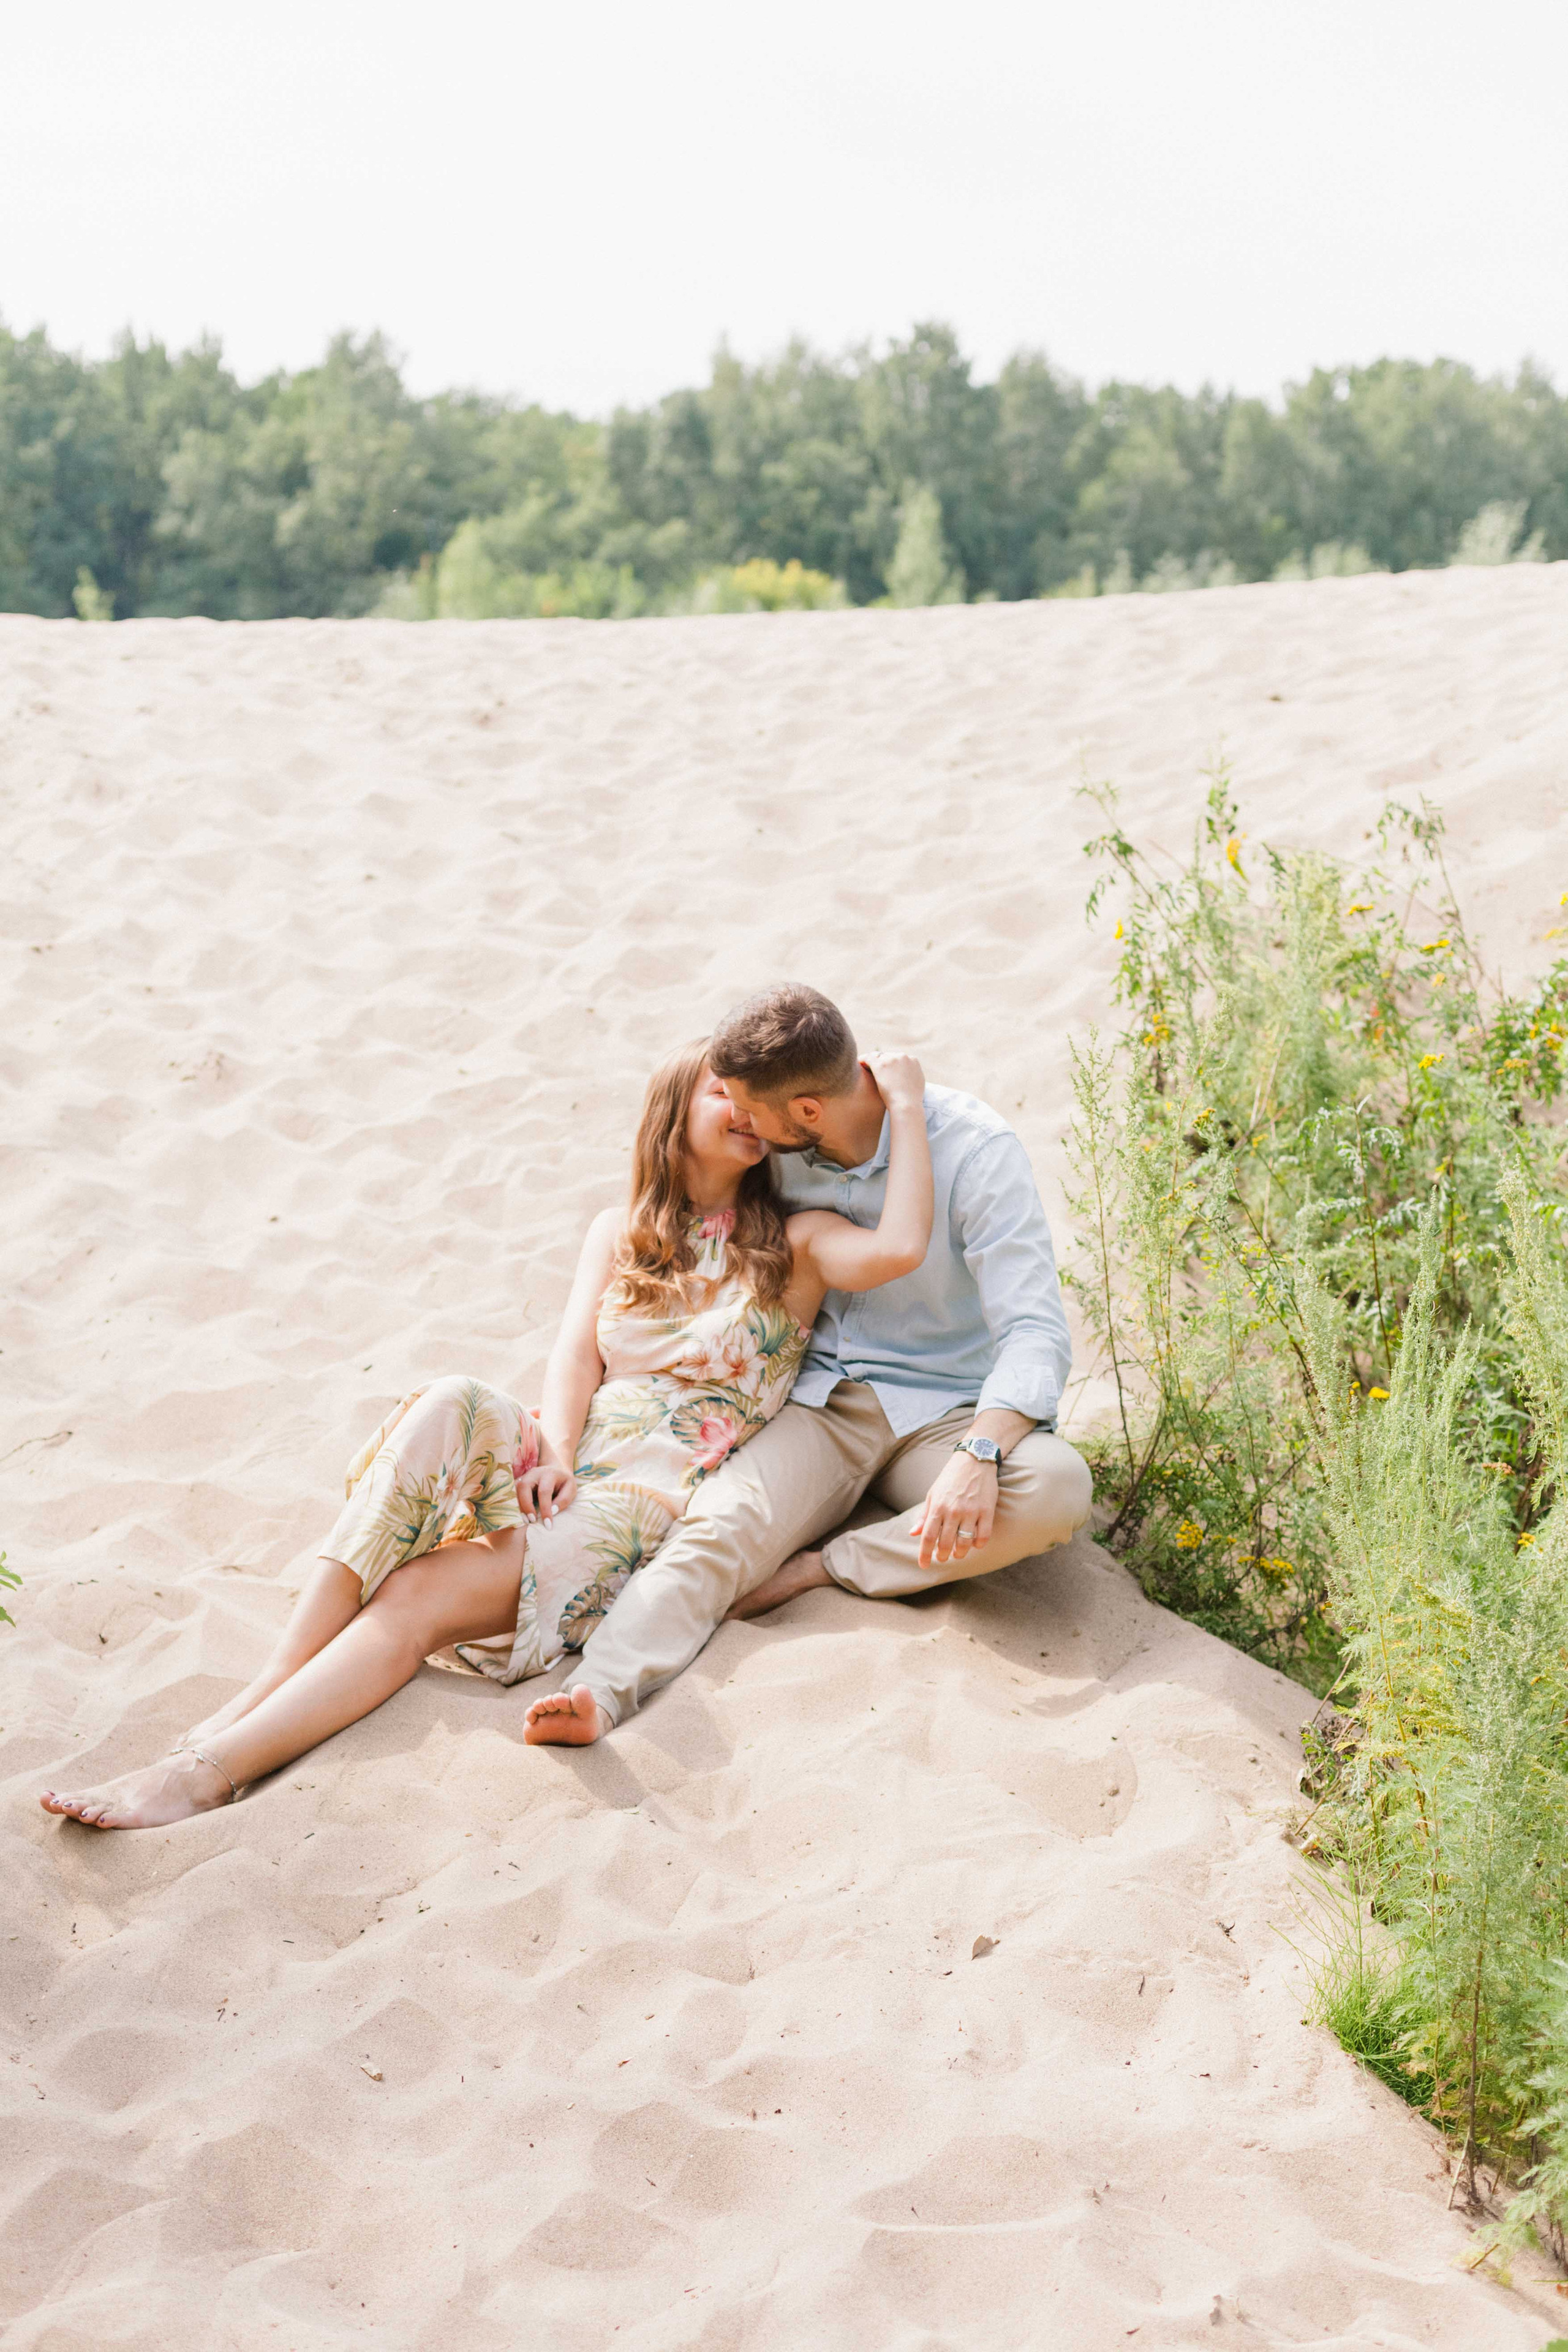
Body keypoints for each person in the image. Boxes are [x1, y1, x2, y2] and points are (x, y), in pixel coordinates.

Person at [39, 1041, 933, 1829]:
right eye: (718, 1091)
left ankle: (206, 1772)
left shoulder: (800, 1243)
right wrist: (552, 1448)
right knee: (450, 1401)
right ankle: (270, 1681)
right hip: (571, 1460)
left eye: (752, 1101)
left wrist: (906, 1108)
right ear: (672, 1112)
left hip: (653, 1500)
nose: (742, 1107)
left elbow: (900, 1251)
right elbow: (575, 1358)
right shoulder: (620, 1233)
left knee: (420, 1595)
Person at [524, 984, 1092, 1747]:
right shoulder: (774, 1151)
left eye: (749, 1111)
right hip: (817, 1401)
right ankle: (601, 1686)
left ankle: (830, 1565)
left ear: (807, 1112)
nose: (741, 1126)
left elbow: (1034, 1331)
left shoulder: (975, 1151)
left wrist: (980, 1451)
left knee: (1054, 1489)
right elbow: (682, 1224)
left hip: (947, 1411)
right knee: (718, 1530)